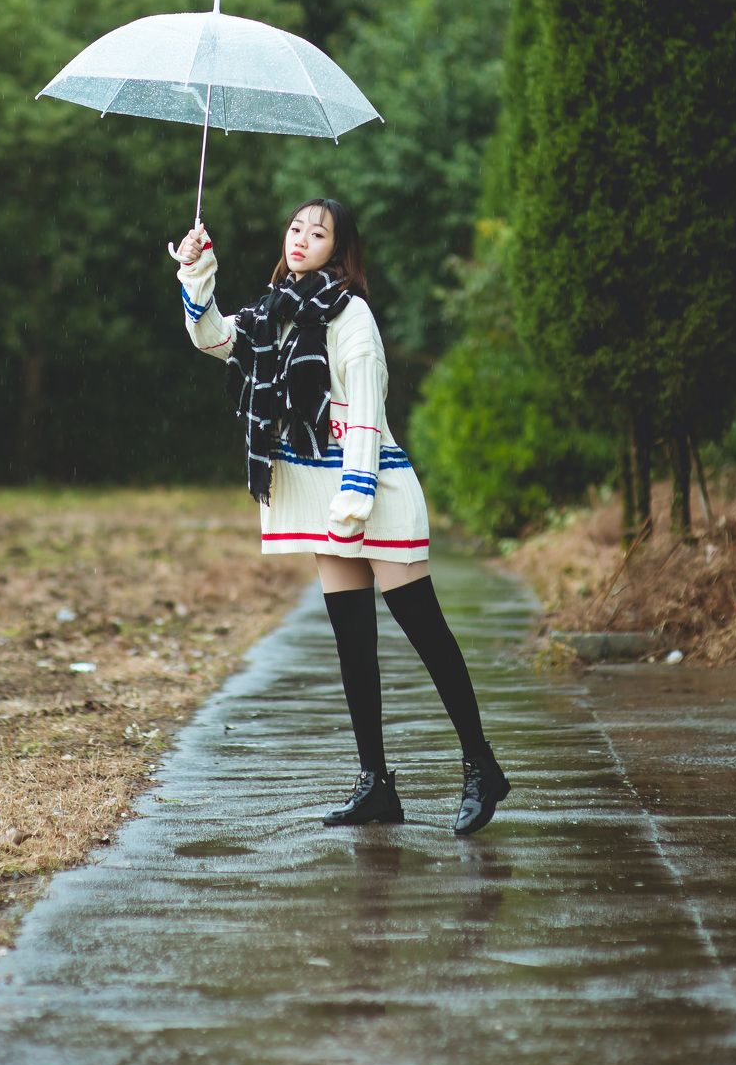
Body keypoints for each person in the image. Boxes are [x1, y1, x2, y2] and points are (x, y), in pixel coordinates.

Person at [172, 197, 510, 835]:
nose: (301, 238)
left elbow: (365, 415)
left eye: (318, 233)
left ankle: (481, 765)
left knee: (426, 633)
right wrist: (196, 271)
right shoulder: (273, 313)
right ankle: (375, 784)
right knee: (354, 645)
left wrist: (355, 501)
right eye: (296, 227)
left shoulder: (351, 315)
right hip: (328, 498)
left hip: (374, 492)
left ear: (340, 250)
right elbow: (213, 337)